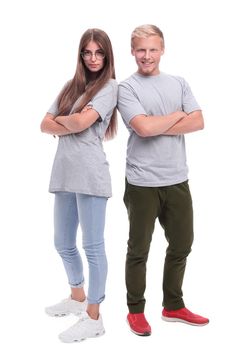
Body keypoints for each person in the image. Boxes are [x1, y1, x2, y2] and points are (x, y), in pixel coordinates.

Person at [117, 24, 209, 336]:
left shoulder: (179, 82)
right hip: (142, 182)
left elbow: (198, 121)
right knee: (139, 249)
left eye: (152, 49)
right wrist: (176, 116)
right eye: (141, 50)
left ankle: (173, 305)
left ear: (162, 49)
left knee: (183, 243)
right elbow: (142, 128)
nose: (147, 56)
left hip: (177, 179)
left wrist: (158, 122)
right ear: (132, 51)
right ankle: (135, 311)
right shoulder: (126, 88)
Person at [40, 28, 117, 343]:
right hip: (64, 174)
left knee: (93, 246)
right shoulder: (69, 87)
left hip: (90, 175)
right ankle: (77, 296)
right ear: (81, 55)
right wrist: (65, 122)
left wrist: (63, 122)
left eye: (99, 52)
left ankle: (94, 316)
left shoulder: (110, 87)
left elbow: (81, 123)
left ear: (107, 56)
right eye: (88, 52)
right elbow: (43, 123)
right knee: (62, 242)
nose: (93, 58)